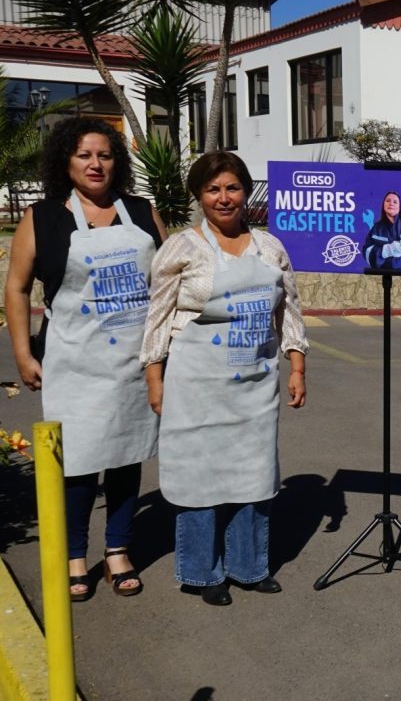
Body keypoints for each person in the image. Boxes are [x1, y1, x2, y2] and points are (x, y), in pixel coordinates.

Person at [4, 117, 167, 600]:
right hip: (72, 358)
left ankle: (117, 549)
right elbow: (15, 288)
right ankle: (75, 553)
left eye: (105, 155)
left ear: (117, 161)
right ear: (66, 162)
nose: (96, 164)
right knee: (77, 461)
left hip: (134, 361)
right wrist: (20, 352)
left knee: (126, 453)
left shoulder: (141, 211)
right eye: (84, 155)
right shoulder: (43, 217)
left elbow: (167, 281)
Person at [141, 151, 308, 607]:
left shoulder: (270, 247)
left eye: (232, 187)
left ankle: (250, 568)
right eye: (213, 189)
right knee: (200, 478)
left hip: (254, 382)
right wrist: (155, 378)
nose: (224, 197)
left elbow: (288, 310)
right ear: (199, 195)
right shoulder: (182, 247)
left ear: (244, 192)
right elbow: (157, 317)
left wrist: (296, 365)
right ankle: (200, 572)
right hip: (194, 382)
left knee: (254, 475)